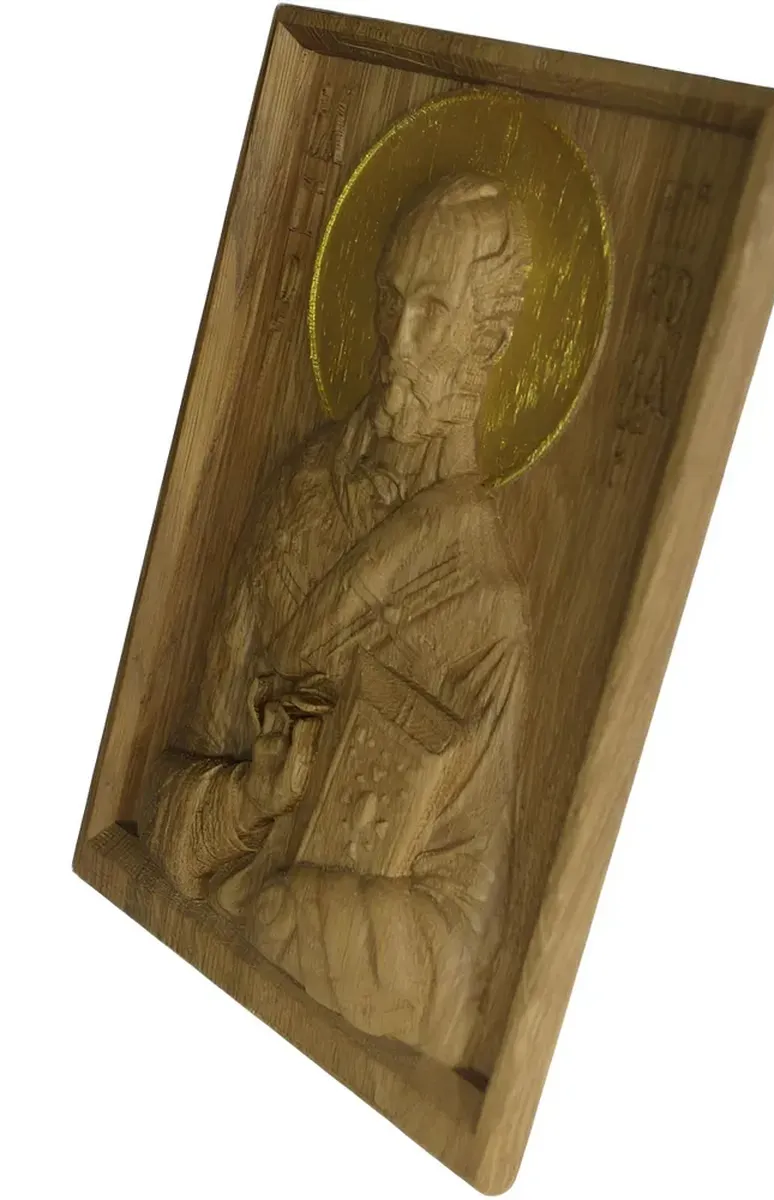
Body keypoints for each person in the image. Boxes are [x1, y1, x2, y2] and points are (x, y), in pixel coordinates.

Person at [140, 173, 532, 1072]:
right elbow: (162, 790)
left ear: (493, 342)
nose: (398, 339)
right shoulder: (298, 496)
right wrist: (249, 798)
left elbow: (457, 969)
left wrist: (293, 910)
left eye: (433, 311)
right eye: (391, 301)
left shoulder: (487, 608)